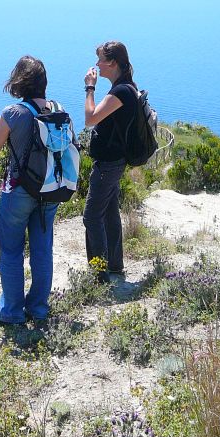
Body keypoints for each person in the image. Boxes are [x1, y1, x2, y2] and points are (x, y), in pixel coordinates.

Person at [0, 56, 61, 328]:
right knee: (42, 249)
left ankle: (12, 312)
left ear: (19, 81)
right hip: (50, 190)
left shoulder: (13, 113)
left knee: (11, 250)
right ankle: (38, 308)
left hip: (18, 190)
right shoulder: (58, 110)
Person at [82, 41, 140, 282]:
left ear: (112, 63)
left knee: (91, 216)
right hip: (115, 161)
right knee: (108, 212)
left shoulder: (121, 92)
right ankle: (114, 265)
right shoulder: (125, 87)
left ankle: (99, 275)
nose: (97, 65)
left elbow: (90, 118)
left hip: (108, 164)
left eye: (100, 60)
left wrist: (89, 88)